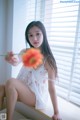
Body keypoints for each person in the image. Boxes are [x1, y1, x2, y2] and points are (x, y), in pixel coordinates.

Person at [0, 21, 62, 120]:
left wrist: (56, 112)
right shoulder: (25, 51)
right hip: (24, 90)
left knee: (10, 81)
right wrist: (11, 59)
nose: (34, 38)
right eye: (31, 35)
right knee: (1, 88)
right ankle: (2, 117)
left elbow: (52, 88)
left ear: (44, 35)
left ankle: (8, 119)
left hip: (35, 96)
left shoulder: (48, 60)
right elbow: (16, 61)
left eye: (38, 34)